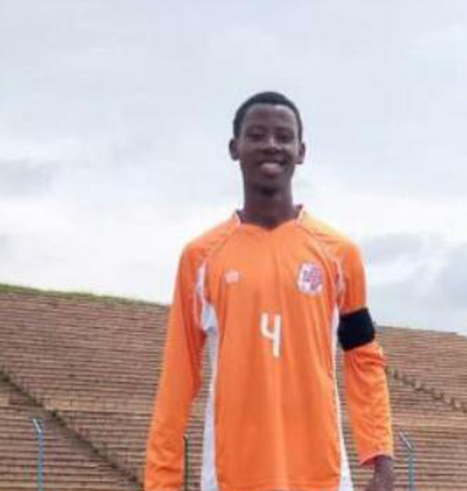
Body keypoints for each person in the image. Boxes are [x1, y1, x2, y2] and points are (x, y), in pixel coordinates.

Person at [144, 91, 394, 491]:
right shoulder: (201, 258)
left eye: (284, 136)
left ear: (301, 151)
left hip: (322, 476)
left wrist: (381, 456)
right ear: (235, 148)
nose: (271, 145)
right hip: (231, 475)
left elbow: (363, 356)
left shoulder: (339, 254)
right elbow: (178, 376)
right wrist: (162, 481)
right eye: (257, 135)